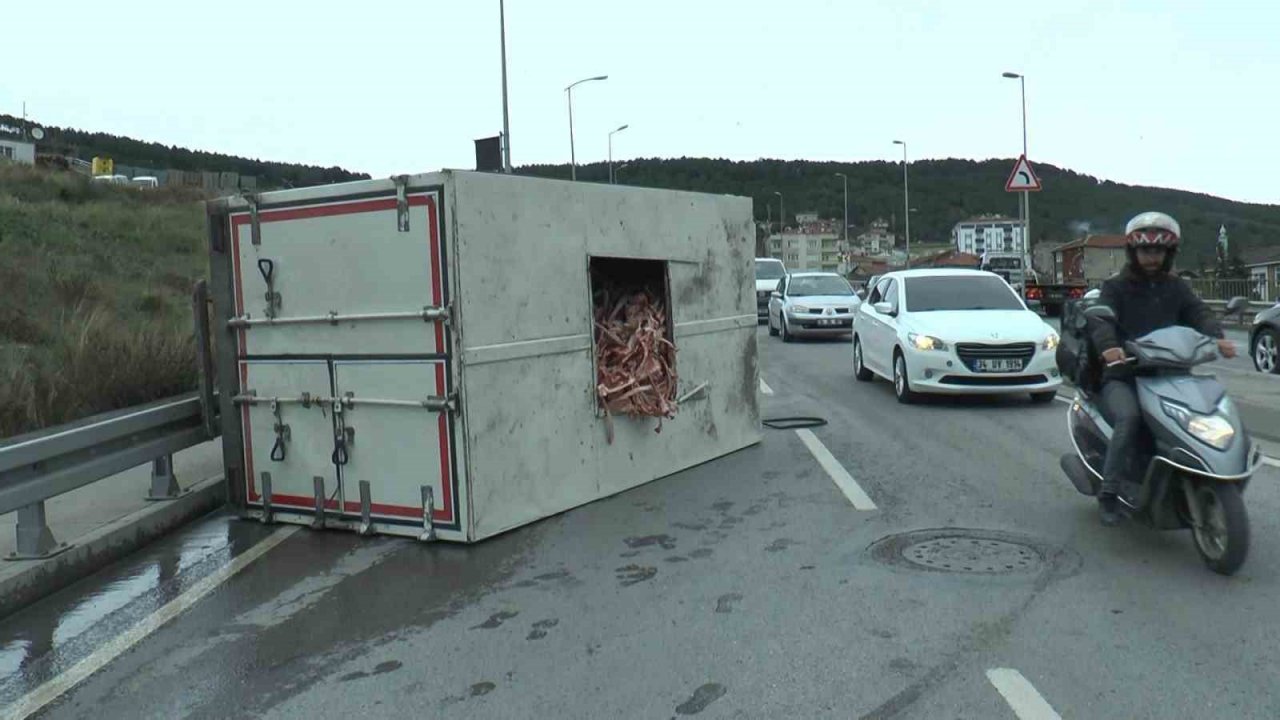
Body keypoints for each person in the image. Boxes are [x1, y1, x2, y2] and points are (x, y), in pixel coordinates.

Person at [1087, 211, 1237, 526]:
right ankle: (1109, 492)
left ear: (1168, 254)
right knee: (1129, 418)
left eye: (1158, 251)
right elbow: (1101, 321)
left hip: (1170, 373)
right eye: (1145, 251)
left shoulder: (1176, 286)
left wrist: (1218, 337)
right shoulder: (1115, 287)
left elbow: (1198, 313)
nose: (1151, 257)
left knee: (1207, 409)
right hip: (1124, 374)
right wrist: (1109, 348)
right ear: (1134, 252)